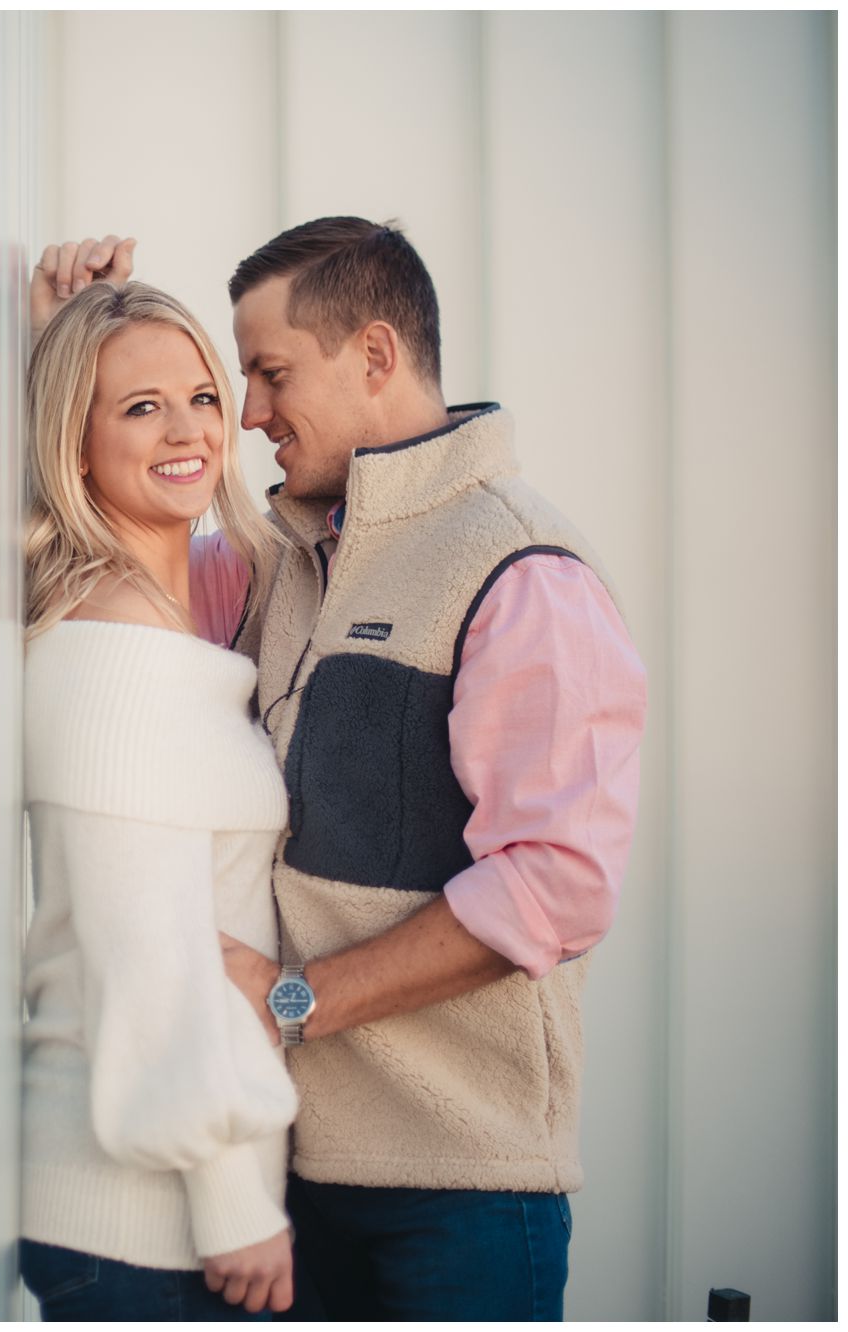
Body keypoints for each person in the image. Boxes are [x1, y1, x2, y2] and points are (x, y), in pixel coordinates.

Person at [174, 217, 648, 1321]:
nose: (248, 413)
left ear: (374, 356)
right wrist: (67, 343)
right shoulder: (273, 561)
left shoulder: (519, 570)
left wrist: (295, 1001)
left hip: (458, 1204)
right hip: (290, 1184)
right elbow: (112, 560)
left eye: (269, 372)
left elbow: (554, 886)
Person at [16, 258, 302, 1321]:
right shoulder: (110, 652)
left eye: (199, 399)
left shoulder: (168, 617)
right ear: (74, 445)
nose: (186, 432)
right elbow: (151, 962)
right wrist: (233, 1203)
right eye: (139, 408)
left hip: (160, 1219)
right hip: (141, 1225)